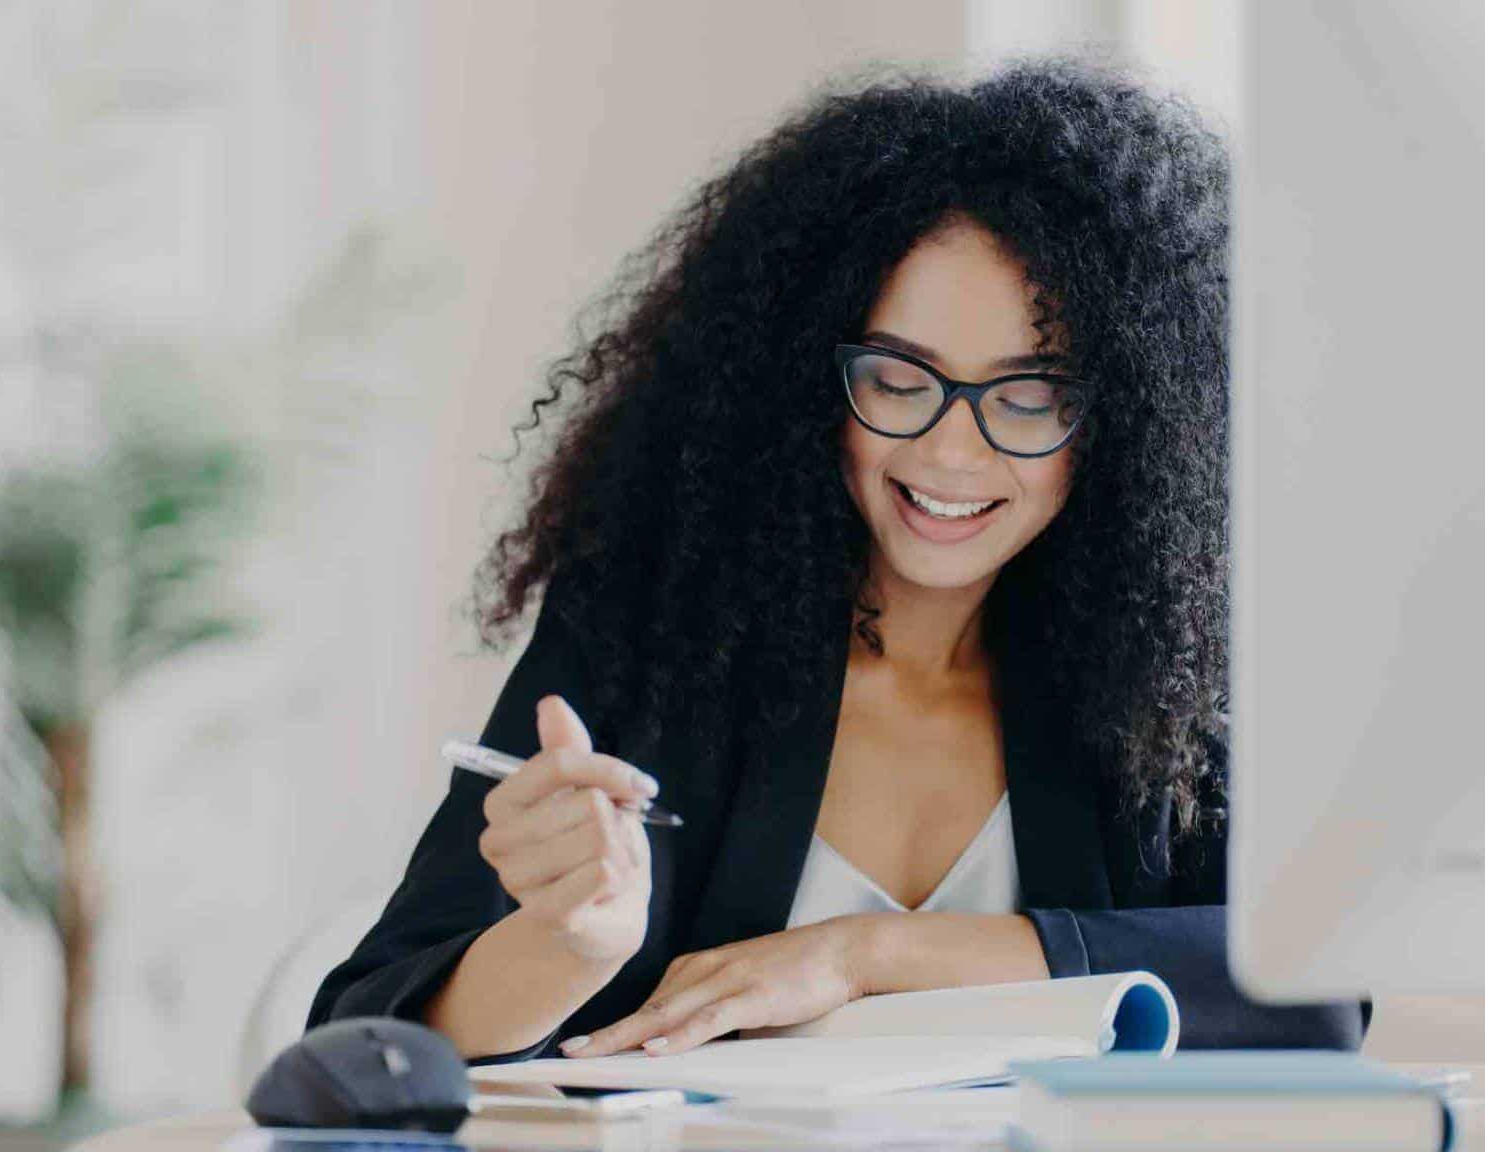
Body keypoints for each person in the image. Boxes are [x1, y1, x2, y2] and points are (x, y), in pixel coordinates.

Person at [308, 59, 1365, 1062]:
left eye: (1029, 395)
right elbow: (363, 1038)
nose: (953, 451)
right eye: (900, 380)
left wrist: (864, 957)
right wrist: (566, 947)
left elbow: (1313, 989)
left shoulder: (1164, 684)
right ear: (805, 380)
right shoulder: (656, 631)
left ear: (1130, 422)